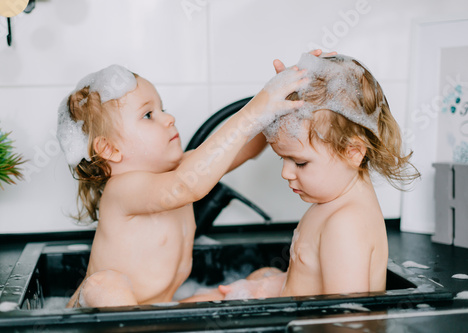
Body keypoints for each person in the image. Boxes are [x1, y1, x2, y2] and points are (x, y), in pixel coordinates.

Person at [57, 63, 307, 308]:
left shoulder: (179, 172)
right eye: (148, 115)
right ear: (109, 149)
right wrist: (254, 110)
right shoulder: (121, 190)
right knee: (103, 285)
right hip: (95, 321)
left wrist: (281, 105)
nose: (169, 118)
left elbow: (243, 149)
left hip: (158, 312)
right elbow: (188, 185)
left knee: (264, 281)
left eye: (162, 108)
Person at [209, 52, 421, 300]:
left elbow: (346, 321)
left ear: (353, 152)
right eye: (283, 158)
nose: (286, 172)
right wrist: (269, 285)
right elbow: (314, 281)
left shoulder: (346, 224)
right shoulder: (332, 203)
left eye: (299, 162)